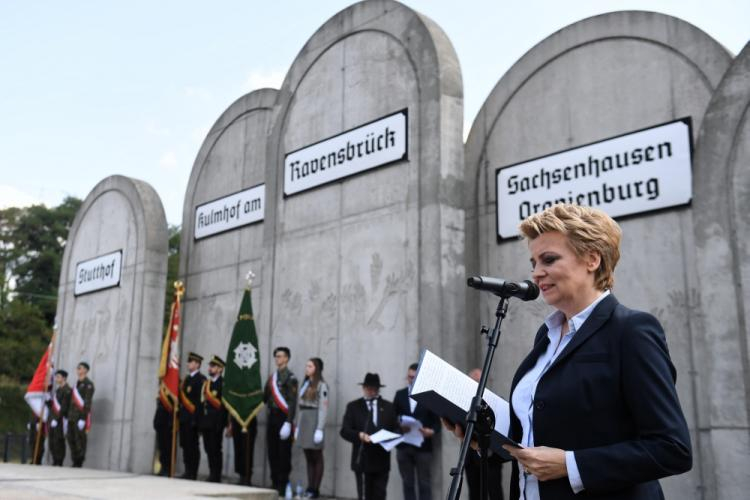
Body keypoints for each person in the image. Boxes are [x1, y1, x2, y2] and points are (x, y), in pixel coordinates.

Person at [442, 204, 692, 499]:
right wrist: (485, 440)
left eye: (548, 259)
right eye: (533, 262)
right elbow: (538, 438)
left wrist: (572, 465)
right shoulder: (546, 337)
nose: (536, 273)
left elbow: (672, 448)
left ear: (592, 259)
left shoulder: (632, 331)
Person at [340, 372, 399, 500]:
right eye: (368, 388)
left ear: (378, 389)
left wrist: (392, 438)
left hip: (381, 459)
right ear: (363, 388)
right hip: (362, 459)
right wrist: (359, 435)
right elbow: (344, 431)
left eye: (374, 389)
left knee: (380, 494)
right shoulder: (353, 407)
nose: (371, 391)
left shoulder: (388, 407)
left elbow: (396, 428)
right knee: (364, 495)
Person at [393, 363, 439, 500]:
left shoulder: (428, 396)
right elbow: (392, 418)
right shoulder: (400, 394)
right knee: (407, 483)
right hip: (404, 445)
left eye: (414, 377)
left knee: (424, 483)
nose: (411, 379)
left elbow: (438, 422)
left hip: (423, 447)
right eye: (409, 377)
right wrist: (399, 425)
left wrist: (431, 431)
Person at [463, 368, 504, 500]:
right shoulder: (463, 401)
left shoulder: (497, 402)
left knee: (494, 492)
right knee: (474, 494)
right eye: (473, 381)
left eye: (479, 381)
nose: (477, 385)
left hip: (491, 457)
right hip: (470, 456)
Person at [263, 346, 298, 494]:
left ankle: (282, 483)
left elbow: (292, 402)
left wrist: (288, 422)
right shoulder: (272, 378)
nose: (277, 358)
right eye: (276, 356)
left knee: (284, 452)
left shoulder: (291, 378)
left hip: (284, 418)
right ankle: (274, 481)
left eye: (280, 356)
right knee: (272, 451)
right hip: (272, 417)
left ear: (286, 358)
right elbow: (265, 398)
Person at [294, 357, 329, 498]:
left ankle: (315, 489)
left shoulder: (321, 385)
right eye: (306, 366)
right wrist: (297, 426)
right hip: (304, 420)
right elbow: (300, 406)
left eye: (310, 366)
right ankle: (310, 486)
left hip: (314, 420)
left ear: (317, 368)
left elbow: (323, 408)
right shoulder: (305, 383)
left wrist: (320, 428)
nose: (306, 368)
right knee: (308, 455)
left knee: (316, 455)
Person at [200, 355, 227, 483]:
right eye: (210, 366)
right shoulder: (207, 384)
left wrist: (223, 422)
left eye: (213, 366)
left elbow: (224, 405)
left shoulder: (223, 384)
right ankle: (212, 472)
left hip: (217, 421)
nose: (210, 368)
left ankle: (216, 475)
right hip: (206, 421)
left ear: (220, 369)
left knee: (215, 448)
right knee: (208, 447)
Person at [179, 352, 206, 480]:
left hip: (193, 419)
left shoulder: (201, 380)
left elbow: (200, 403)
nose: (188, 364)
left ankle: (193, 472)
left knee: (193, 446)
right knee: (184, 444)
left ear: (197, 364)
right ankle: (187, 470)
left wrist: (197, 420)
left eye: (191, 362)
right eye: (188, 362)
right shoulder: (186, 379)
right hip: (184, 418)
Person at [67, 361, 94, 468]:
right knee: (71, 438)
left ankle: (79, 461)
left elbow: (87, 402)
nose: (78, 369)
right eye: (77, 368)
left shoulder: (88, 385)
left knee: (80, 439)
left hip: (79, 417)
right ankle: (74, 459)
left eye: (80, 368)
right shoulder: (76, 384)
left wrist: (83, 418)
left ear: (85, 370)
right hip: (71, 416)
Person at [48, 369, 72, 466]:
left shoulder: (67, 390)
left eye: (58, 377)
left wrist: (57, 419)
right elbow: (54, 406)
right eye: (56, 377)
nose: (56, 378)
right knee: (52, 441)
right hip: (54, 419)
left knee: (59, 441)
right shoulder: (58, 390)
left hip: (61, 420)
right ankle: (55, 460)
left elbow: (64, 407)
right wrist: (48, 401)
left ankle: (59, 461)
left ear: (64, 378)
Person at [228, 415, 257, 485]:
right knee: (238, 449)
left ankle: (247, 477)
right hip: (236, 419)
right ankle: (241, 476)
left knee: (247, 449)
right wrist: (230, 422)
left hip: (248, 420)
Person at [153, 394, 174, 476]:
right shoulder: (163, 390)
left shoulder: (172, 388)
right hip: (160, 422)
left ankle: (167, 468)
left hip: (168, 422)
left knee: (167, 447)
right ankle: (162, 467)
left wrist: (171, 422)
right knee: (161, 447)